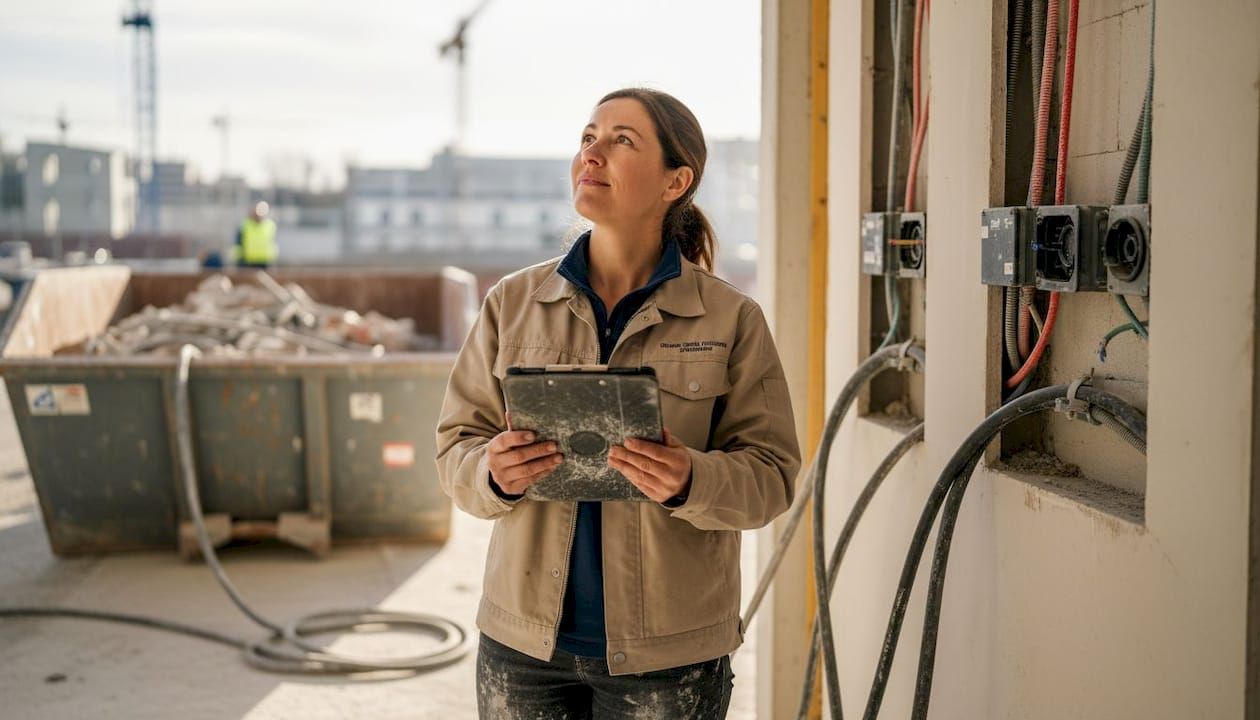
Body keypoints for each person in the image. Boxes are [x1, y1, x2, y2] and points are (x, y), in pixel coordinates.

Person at [436, 88, 801, 719]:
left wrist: (693, 478)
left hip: (670, 655)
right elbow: (454, 450)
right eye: (587, 137)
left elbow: (772, 479)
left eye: (621, 140)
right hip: (523, 647)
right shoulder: (511, 303)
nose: (592, 154)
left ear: (675, 181)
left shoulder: (732, 318)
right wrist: (491, 471)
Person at [234, 201, 277, 269]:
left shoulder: (270, 225)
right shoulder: (245, 225)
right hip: (247, 261)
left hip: (265, 261)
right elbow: (238, 244)